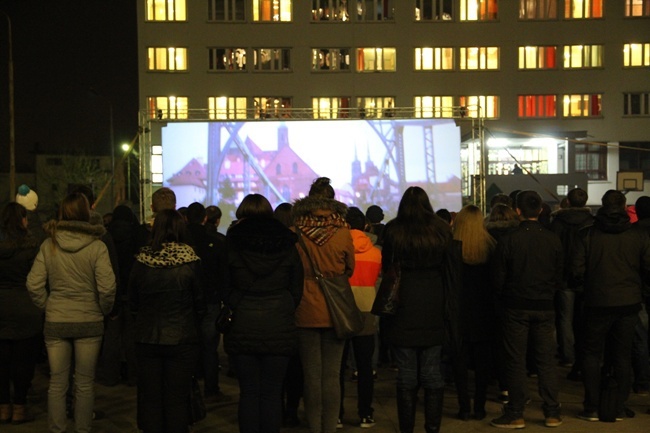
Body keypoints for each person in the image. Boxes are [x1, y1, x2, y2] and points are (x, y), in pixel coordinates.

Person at [26, 192, 116, 433]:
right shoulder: (97, 246)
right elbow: (107, 287)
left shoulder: (49, 244)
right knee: (85, 384)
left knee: (57, 383)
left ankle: (57, 429)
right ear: (87, 213)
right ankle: (83, 429)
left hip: (56, 320)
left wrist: (48, 305)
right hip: (89, 320)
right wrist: (102, 310)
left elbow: (33, 284)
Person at [224, 194, 304, 433]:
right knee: (271, 392)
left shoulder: (233, 243)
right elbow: (296, 287)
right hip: (279, 323)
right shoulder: (287, 242)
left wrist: (235, 304)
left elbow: (225, 286)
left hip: (242, 324)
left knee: (248, 392)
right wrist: (285, 306)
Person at [571, 190, 650, 421]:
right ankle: (618, 405)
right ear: (625, 206)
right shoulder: (638, 236)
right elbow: (648, 269)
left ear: (603, 206)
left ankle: (592, 405)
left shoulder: (587, 235)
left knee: (591, 354)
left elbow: (576, 271)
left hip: (597, 302)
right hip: (628, 302)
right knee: (622, 356)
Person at [381, 186, 453, 433]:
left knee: (406, 375)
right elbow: (449, 268)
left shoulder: (393, 230)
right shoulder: (441, 229)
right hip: (434, 300)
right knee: (433, 373)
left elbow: (387, 269)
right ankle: (432, 428)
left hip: (403, 303)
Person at [491, 190, 564, 429]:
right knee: (546, 360)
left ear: (518, 211)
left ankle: (515, 413)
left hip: (516, 306)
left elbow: (498, 278)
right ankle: (552, 412)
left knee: (516, 361)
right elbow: (559, 275)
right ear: (541, 210)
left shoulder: (509, 240)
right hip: (544, 305)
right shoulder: (552, 239)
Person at [128, 209, 205, 433]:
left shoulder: (141, 260)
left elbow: (132, 302)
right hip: (182, 338)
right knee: (177, 400)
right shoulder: (191, 261)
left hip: (147, 337)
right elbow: (200, 303)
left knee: (151, 400)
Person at [292, 177, 355, 433]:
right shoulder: (342, 232)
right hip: (335, 309)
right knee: (332, 375)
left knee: (311, 375)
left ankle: (314, 427)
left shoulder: (296, 232)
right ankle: (330, 427)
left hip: (305, 307)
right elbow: (349, 268)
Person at [450, 204, 497, 421]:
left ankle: (463, 406)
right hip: (484, 312)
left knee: (459, 362)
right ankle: (480, 405)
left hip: (458, 311)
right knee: (482, 363)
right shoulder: (491, 247)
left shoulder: (451, 249)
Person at [338, 207, 381, 428]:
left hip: (341, 310)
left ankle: (337, 414)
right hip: (366, 309)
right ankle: (365, 413)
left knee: (338, 366)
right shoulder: (376, 252)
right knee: (365, 367)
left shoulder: (338, 251)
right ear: (365, 226)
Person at [0, 202, 42, 424]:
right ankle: (19, 407)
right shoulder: (31, 247)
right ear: (22, 220)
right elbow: (37, 280)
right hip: (26, 308)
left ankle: (3, 407)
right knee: (23, 363)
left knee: (2, 363)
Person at [186, 202, 228, 402]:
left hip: (187, 299)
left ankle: (191, 385)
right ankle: (211, 388)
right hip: (210, 298)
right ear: (204, 218)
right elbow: (222, 273)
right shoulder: (216, 241)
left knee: (189, 344)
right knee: (210, 347)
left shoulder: (183, 241)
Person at [549, 188, 593, 374]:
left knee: (564, 318)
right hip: (586, 277)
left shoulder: (557, 223)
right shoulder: (592, 223)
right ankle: (584, 355)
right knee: (583, 319)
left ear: (568, 201)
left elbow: (553, 250)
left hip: (564, 277)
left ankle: (567, 355)